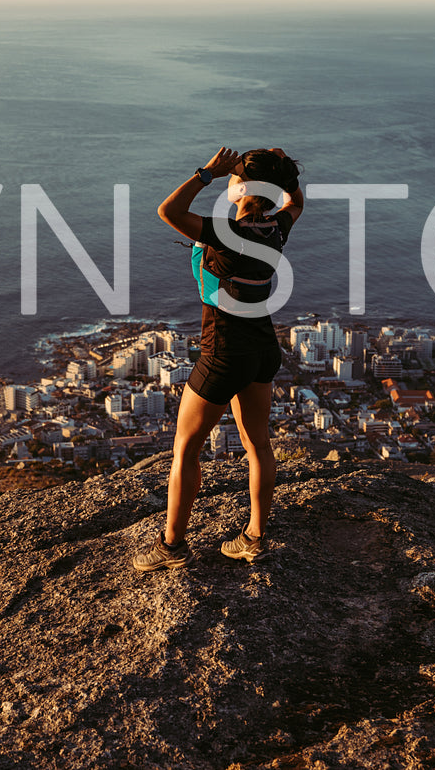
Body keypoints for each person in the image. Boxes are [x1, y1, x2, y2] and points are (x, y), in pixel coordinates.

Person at [132, 146, 303, 572]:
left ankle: (172, 546)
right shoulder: (275, 228)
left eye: (233, 178)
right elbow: (295, 202)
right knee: (258, 444)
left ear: (240, 185)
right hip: (263, 347)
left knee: (186, 448)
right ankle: (255, 537)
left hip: (223, 349)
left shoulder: (225, 233)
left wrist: (206, 173)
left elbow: (168, 209)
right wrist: (283, 173)